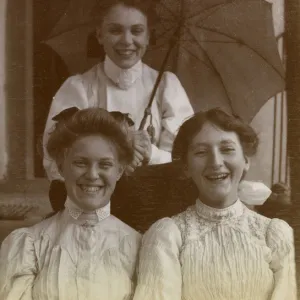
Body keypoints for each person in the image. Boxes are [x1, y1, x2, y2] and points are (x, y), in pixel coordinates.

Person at [133, 108, 296, 300]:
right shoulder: (168, 236)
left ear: (245, 160)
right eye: (201, 152)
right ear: (186, 167)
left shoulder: (274, 234)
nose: (216, 162)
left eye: (227, 149)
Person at [43, 0, 194, 183]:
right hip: (93, 199)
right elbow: (55, 160)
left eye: (137, 31)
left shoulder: (167, 87)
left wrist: (150, 153)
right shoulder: (78, 88)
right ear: (99, 34)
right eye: (115, 30)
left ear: (148, 36)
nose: (127, 41)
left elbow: (186, 160)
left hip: (156, 198)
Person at [0, 108, 141, 300]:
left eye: (105, 165)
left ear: (119, 171)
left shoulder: (138, 246)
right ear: (61, 166)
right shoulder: (30, 245)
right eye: (81, 163)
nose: (92, 175)